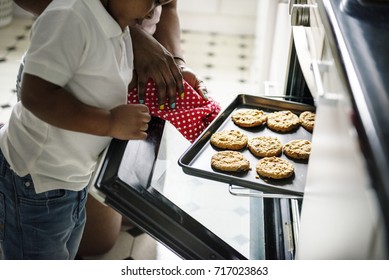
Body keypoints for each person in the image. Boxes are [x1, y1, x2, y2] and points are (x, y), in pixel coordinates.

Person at [0, 0, 182, 260]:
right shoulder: (69, 18)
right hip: (39, 181)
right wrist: (110, 121)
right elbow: (36, 96)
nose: (153, 12)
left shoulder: (117, 25)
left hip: (72, 178)